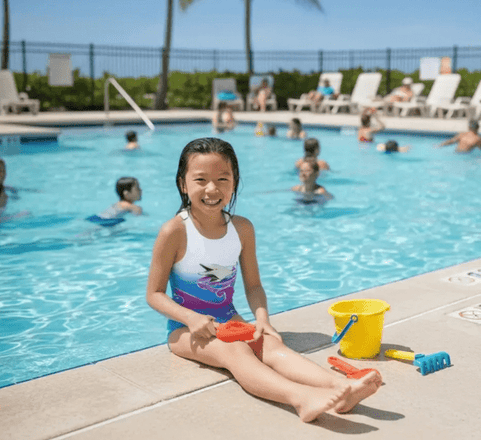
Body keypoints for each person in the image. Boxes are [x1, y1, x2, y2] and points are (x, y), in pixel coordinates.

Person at [146, 137, 380, 423]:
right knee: (235, 352)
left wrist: (262, 319)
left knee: (271, 346)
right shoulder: (174, 231)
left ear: (234, 181)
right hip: (184, 330)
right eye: (201, 180)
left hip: (230, 320)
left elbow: (253, 285)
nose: (212, 189)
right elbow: (154, 294)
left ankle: (341, 388)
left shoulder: (242, 229)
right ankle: (301, 398)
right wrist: (192, 319)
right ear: (183, 184)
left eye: (222, 178)